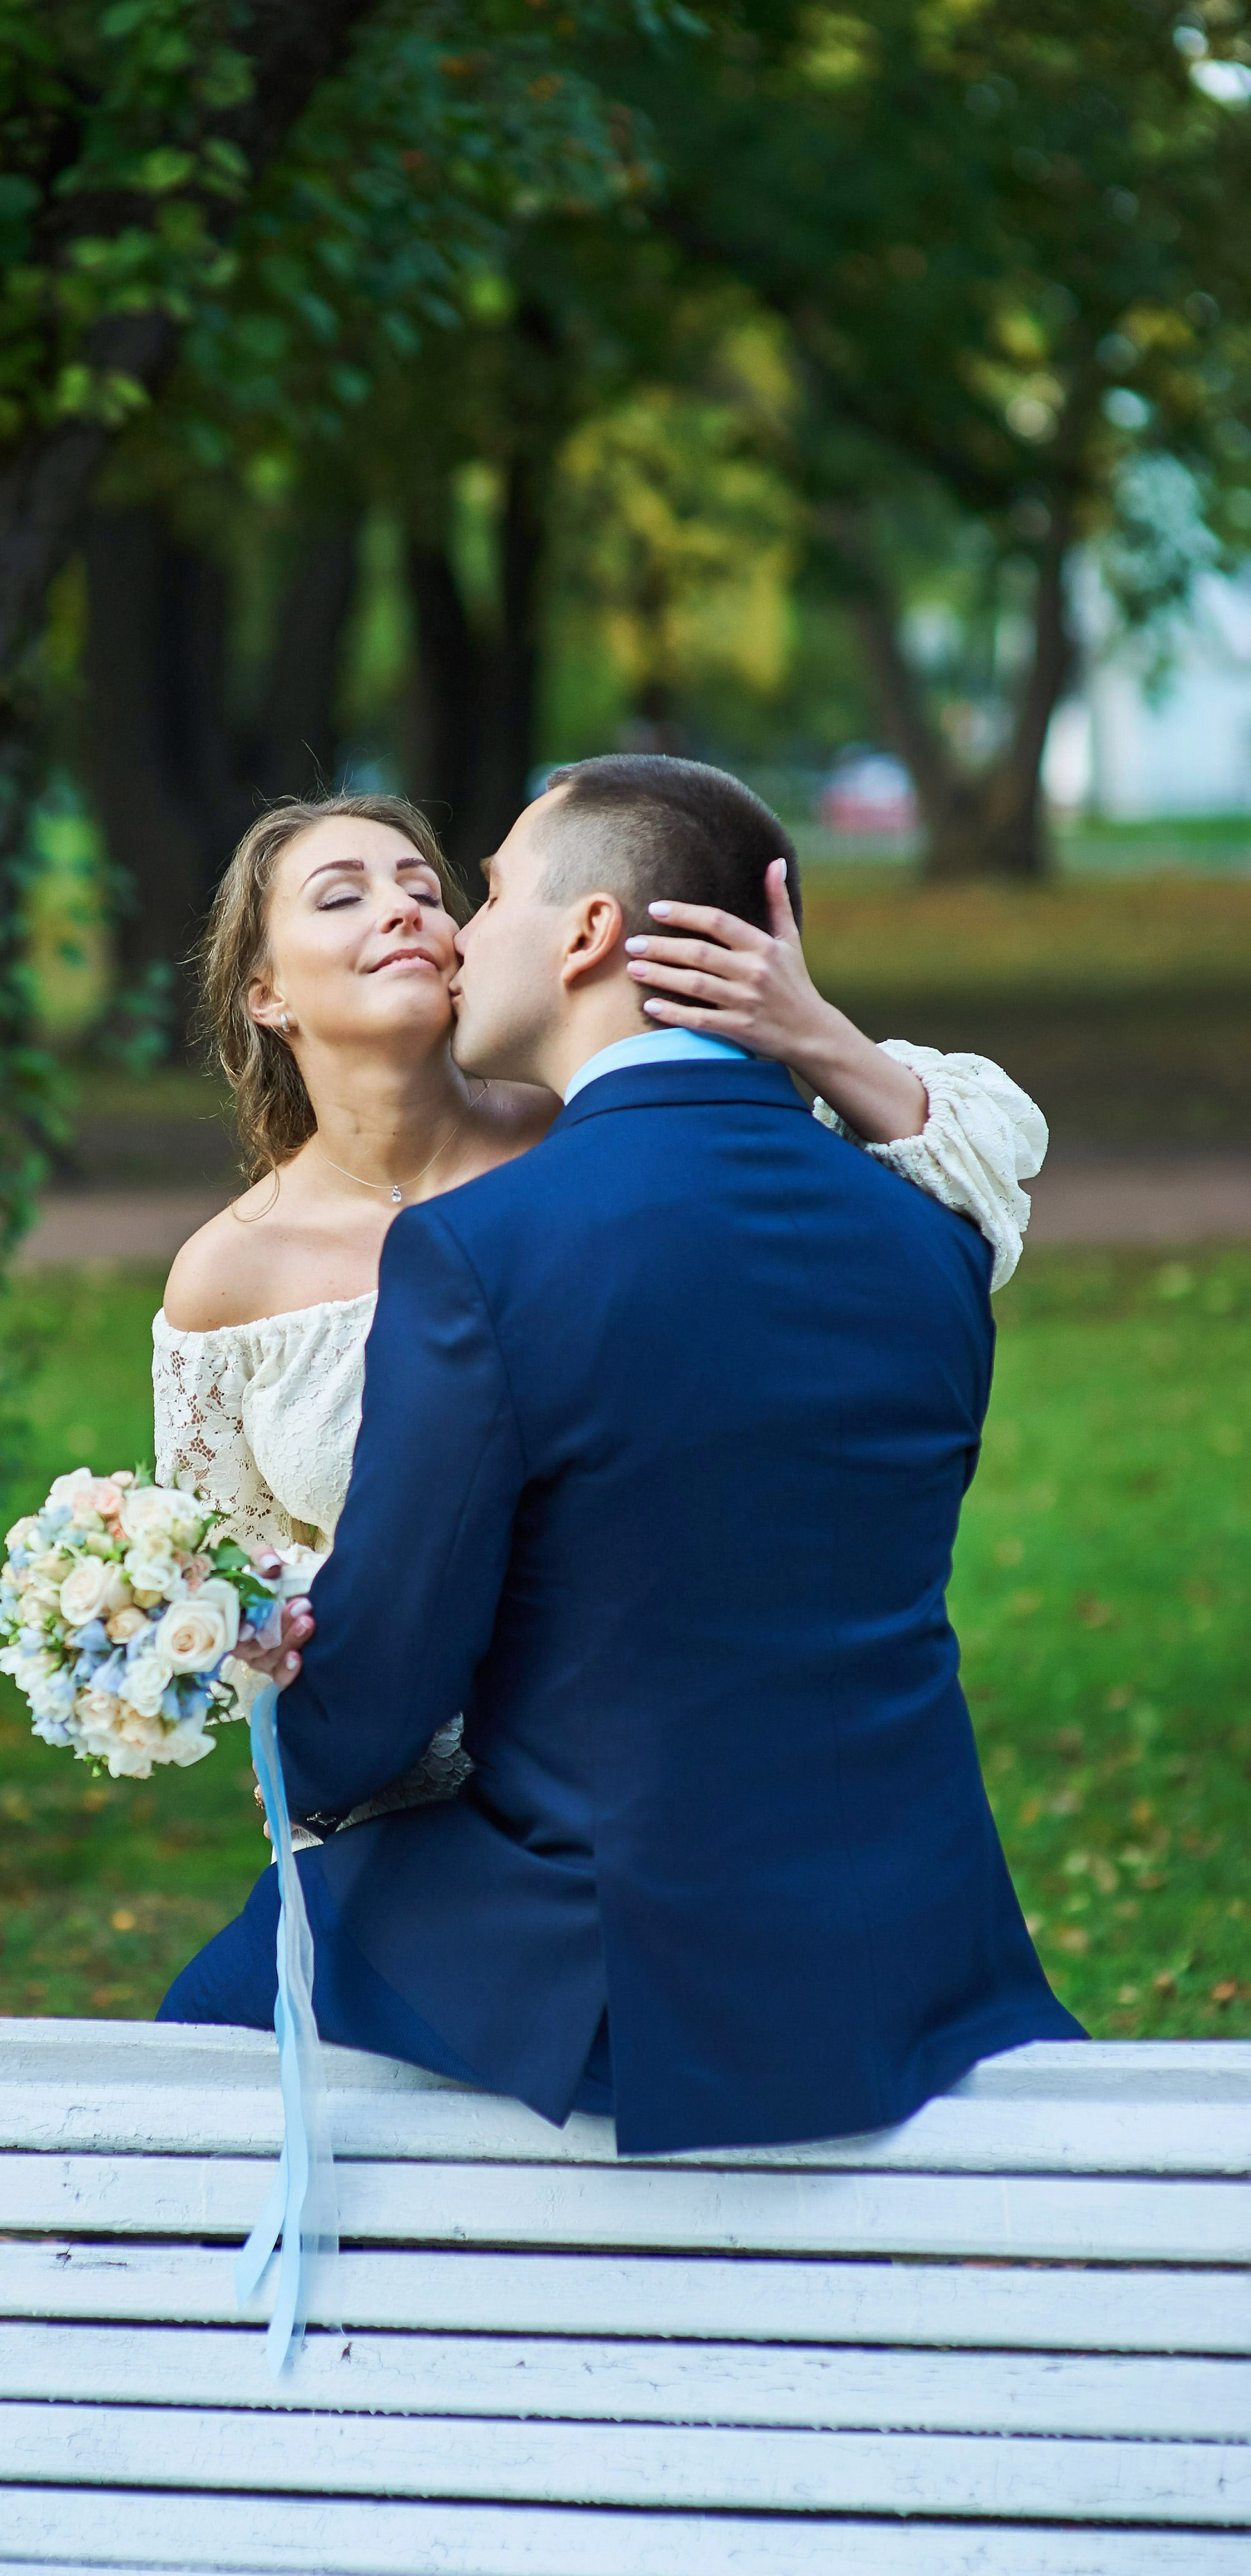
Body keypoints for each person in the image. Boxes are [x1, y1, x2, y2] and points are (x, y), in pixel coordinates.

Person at [159, 757, 1080, 2152]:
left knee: (209, 2028)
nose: (445, 929)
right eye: (350, 895)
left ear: (585, 934)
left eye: (467, 891)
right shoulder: (930, 1234)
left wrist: (308, 1704)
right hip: (922, 1931)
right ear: (263, 992)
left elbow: (370, 1709)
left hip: (626, 1934)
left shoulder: (486, 1248)